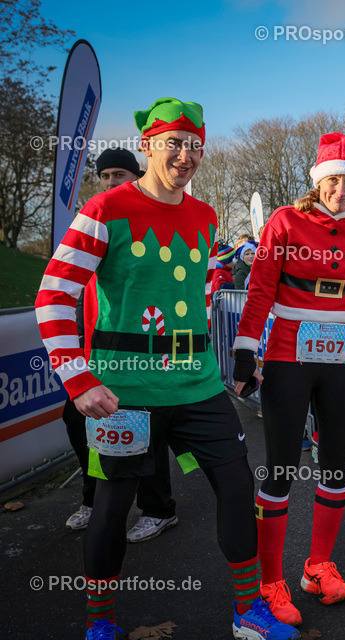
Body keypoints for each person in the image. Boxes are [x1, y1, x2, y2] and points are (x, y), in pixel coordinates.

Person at [36, 96, 298, 640]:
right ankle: (99, 626)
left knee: (236, 485)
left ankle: (247, 609)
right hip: (123, 393)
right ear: (149, 146)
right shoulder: (106, 207)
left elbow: (202, 292)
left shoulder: (205, 217)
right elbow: (53, 295)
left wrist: (236, 352)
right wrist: (79, 379)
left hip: (198, 386)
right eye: (172, 143)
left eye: (194, 145)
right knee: (112, 505)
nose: (184, 155)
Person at [232, 133, 345, 627]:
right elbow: (259, 288)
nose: (341, 190)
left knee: (334, 467)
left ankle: (318, 566)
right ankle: (270, 581)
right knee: (279, 471)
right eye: (333, 180)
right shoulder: (285, 221)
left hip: (344, 361)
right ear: (317, 181)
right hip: (287, 358)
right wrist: (244, 349)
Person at [64, 147, 179, 544]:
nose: (113, 182)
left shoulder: (149, 224)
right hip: (98, 353)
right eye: (106, 175)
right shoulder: (96, 219)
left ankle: (159, 508)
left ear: (138, 175)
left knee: (148, 431)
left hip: (143, 356)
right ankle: (94, 500)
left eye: (121, 174)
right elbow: (65, 289)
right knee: (80, 423)